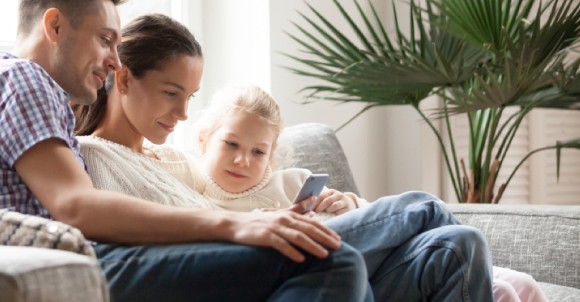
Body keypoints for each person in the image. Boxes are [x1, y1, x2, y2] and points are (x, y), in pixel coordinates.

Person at [0, 0, 370, 302]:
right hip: (67, 267)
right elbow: (76, 206)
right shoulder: (22, 80)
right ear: (54, 26)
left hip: (71, 261)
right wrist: (236, 226)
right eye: (105, 40)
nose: (113, 61)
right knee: (328, 260)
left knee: (333, 261)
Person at [73, 15, 495, 300]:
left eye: (190, 98)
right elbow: (159, 252)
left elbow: (227, 196)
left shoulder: (173, 160)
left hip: (273, 259)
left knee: (458, 245)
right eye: (171, 93)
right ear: (123, 79)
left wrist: (298, 211)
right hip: (246, 269)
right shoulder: (95, 157)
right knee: (421, 206)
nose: (183, 113)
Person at [192, 85, 547, 302]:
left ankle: (472, 269)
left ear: (271, 156)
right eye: (231, 144)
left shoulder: (291, 181)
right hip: (301, 266)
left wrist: (349, 203)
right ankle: (480, 271)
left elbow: (374, 223)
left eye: (258, 152)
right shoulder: (198, 194)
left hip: (360, 261)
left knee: (470, 244)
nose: (242, 160)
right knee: (421, 205)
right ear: (204, 139)